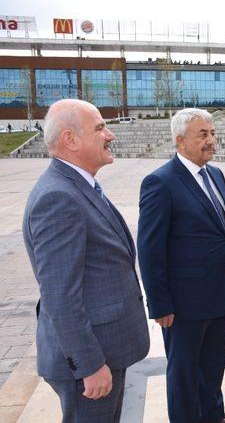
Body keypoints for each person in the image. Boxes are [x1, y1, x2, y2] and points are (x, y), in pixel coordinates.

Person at [22, 99, 150, 422]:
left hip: (106, 347)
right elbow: (60, 297)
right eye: (100, 128)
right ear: (71, 140)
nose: (111, 135)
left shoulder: (77, 185)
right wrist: (90, 365)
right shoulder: (58, 198)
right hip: (90, 362)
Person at [137, 108, 225, 423]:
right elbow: (149, 248)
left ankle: (214, 417)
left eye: (212, 133)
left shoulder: (216, 174)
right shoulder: (160, 182)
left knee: (212, 366)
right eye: (203, 135)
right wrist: (159, 303)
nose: (211, 140)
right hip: (183, 304)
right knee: (184, 375)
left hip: (220, 293)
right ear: (180, 140)